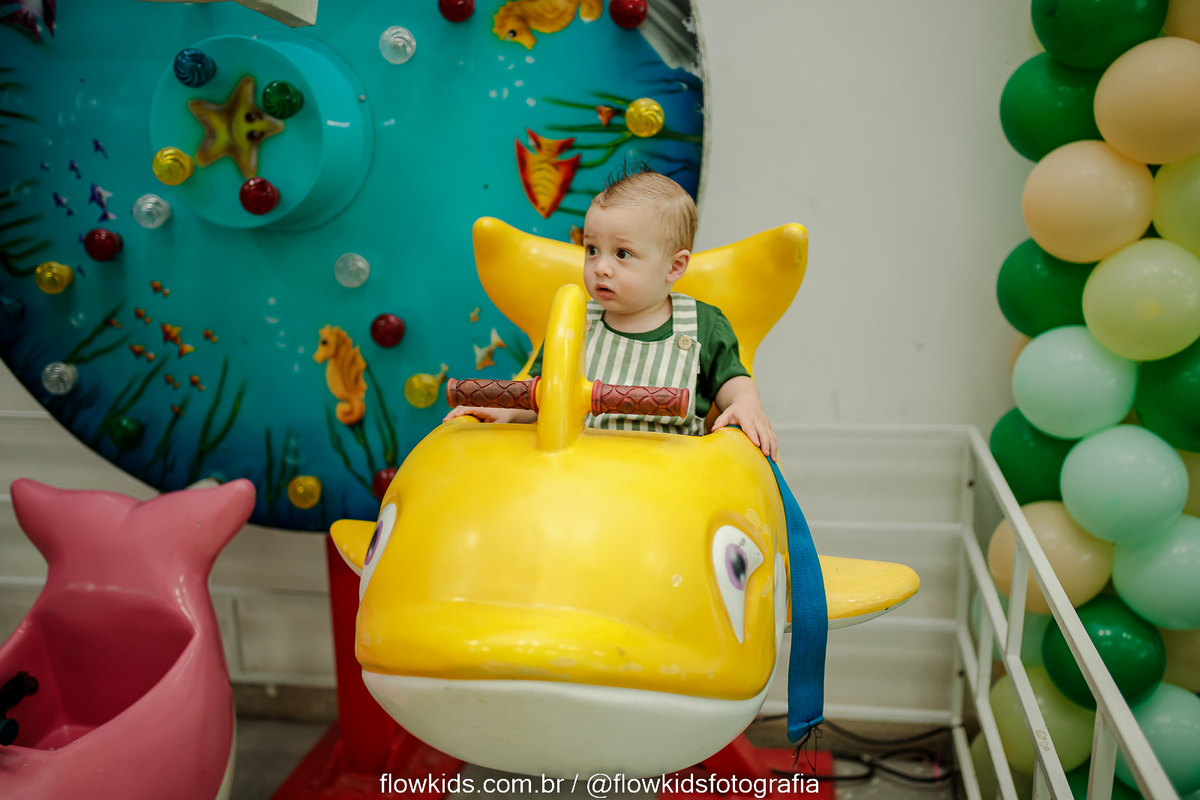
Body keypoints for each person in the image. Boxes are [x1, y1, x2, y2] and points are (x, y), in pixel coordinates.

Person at [444, 168, 778, 459]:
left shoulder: (702, 324)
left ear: (674, 266)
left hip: (673, 479)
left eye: (622, 253)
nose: (601, 267)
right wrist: (505, 410)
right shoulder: (575, 322)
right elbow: (543, 392)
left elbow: (732, 379)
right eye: (592, 249)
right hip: (586, 472)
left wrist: (746, 404)